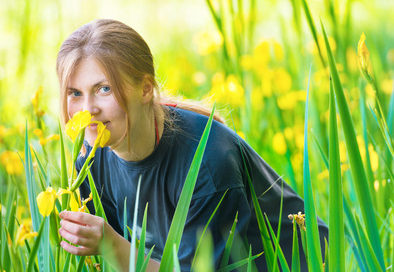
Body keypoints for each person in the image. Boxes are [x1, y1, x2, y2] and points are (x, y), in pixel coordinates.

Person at [56, 19, 328, 271]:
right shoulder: (92, 162)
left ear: (145, 89)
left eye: (104, 89)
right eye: (75, 93)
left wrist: (111, 244)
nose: (87, 109)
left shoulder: (208, 164)